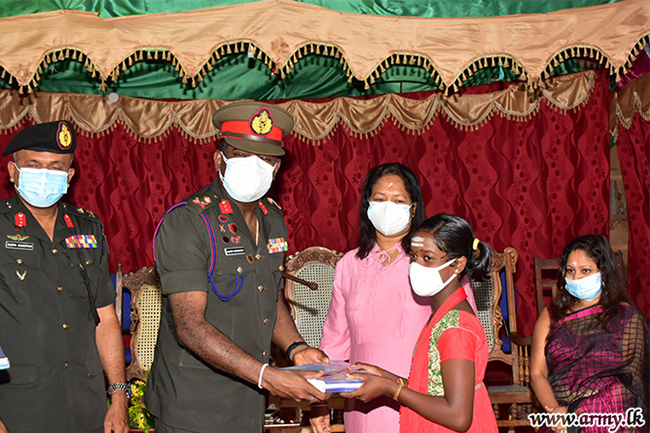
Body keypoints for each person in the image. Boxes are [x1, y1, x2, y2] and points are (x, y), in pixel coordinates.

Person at [145, 102, 329, 433]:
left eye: (266, 159)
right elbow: (189, 326)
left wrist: (296, 347)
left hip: (248, 399)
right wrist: (266, 375)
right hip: (193, 405)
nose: (254, 166)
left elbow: (269, 298)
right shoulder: (188, 222)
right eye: (242, 155)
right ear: (220, 159)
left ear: (277, 168)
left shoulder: (273, 219)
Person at [311, 164, 477, 433]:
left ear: (413, 208)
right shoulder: (349, 265)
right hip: (364, 405)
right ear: (367, 204)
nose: (387, 207)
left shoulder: (436, 262)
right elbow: (335, 341)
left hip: (427, 402)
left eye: (398, 201)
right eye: (379, 199)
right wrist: (319, 401)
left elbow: (460, 328)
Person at [0, 121, 129, 433]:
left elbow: (105, 318)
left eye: (56, 167)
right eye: (34, 165)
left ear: (70, 176)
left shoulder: (88, 228)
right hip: (18, 405)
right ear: (13, 171)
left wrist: (119, 398)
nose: (45, 174)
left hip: (86, 404)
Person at [341, 214, 499, 433]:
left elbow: (458, 416)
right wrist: (385, 376)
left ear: (458, 264)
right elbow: (433, 387)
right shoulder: (443, 315)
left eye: (428, 258)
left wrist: (390, 389)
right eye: (414, 256)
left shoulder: (456, 328)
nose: (416, 265)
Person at [530, 235, 649, 433]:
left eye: (585, 271)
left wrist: (575, 414)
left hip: (611, 417)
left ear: (604, 273)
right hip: (559, 416)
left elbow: (632, 383)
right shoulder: (551, 315)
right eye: (570, 271)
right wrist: (556, 416)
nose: (576, 278)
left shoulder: (628, 317)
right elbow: (537, 373)